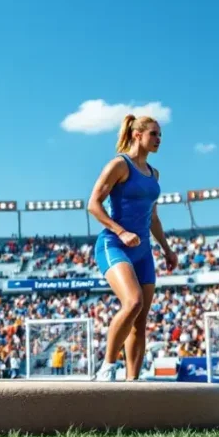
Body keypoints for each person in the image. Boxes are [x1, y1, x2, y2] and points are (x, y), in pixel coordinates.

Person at [88, 115, 178, 382]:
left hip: (143, 252)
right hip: (114, 244)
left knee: (140, 321)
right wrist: (121, 231)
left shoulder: (154, 174)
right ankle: (107, 367)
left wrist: (167, 249)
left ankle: (132, 383)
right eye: (154, 134)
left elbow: (153, 218)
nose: (158, 139)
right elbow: (93, 204)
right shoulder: (119, 164)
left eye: (160, 135)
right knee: (133, 302)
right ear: (137, 135)